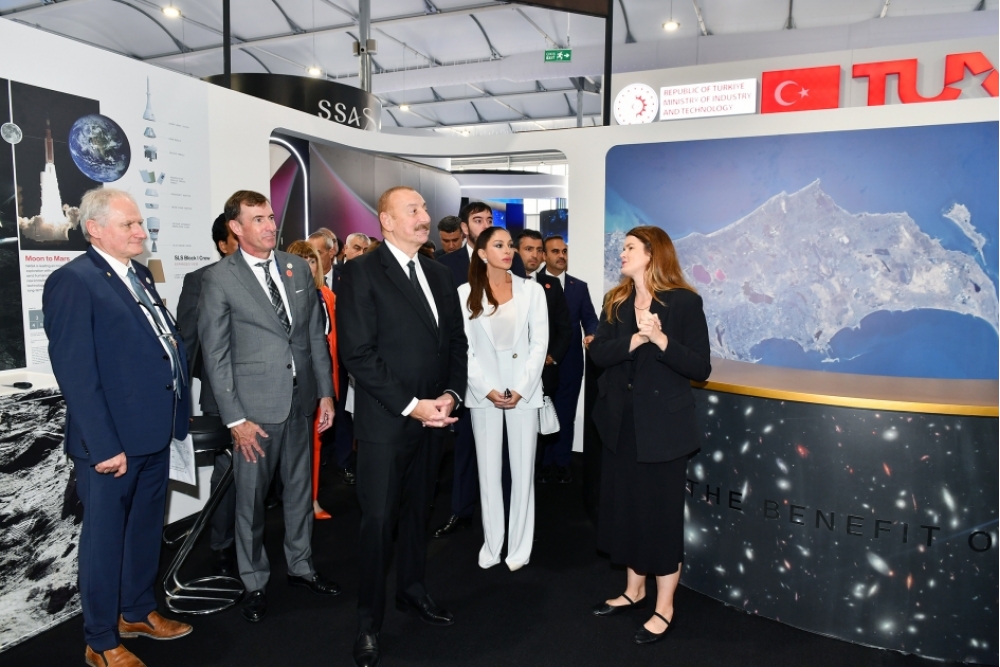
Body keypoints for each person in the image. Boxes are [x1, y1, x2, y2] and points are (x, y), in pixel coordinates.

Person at [43, 188, 193, 667]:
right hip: (110, 446)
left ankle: (136, 612)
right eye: (128, 224)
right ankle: (101, 640)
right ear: (95, 229)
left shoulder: (138, 275)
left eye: (139, 222)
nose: (140, 231)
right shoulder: (73, 281)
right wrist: (104, 445)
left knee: (144, 533)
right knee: (104, 544)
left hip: (153, 434)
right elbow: (76, 374)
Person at [337, 186, 467, 667]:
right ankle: (368, 623)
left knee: (418, 515)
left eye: (425, 208)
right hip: (387, 424)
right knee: (378, 524)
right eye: (412, 209)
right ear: (386, 221)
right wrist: (413, 406)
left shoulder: (438, 272)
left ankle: (412, 590)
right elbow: (358, 354)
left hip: (435, 420)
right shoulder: (361, 272)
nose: (424, 216)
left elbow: (456, 343)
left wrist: (451, 394)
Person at [198, 190, 340, 624]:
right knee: (251, 503)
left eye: (271, 217)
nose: (270, 226)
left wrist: (326, 393)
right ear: (235, 227)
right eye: (258, 219)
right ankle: (254, 581)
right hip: (253, 412)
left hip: (301, 402)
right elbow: (216, 355)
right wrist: (235, 418)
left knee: (300, 493)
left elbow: (314, 336)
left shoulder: (295, 267)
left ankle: (301, 567)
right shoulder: (219, 278)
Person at [588, 226, 711, 645]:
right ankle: (633, 590)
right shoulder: (616, 301)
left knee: (659, 519)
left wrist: (658, 338)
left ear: (652, 253)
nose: (621, 253)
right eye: (622, 247)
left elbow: (700, 367)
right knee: (626, 511)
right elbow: (599, 353)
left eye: (629, 247)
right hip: (620, 426)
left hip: (664, 430)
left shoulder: (685, 302)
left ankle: (665, 606)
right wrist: (636, 338)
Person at [433, 202, 525, 538]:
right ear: (464, 227)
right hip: (465, 371)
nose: (485, 224)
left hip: (506, 374)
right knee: (466, 448)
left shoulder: (513, 264)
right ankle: (461, 510)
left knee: (507, 450)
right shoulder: (446, 265)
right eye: (477, 220)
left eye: (489, 219)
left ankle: (505, 516)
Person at [459, 227, 548, 571]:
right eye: (499, 245)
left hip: (524, 392)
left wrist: (522, 388)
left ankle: (519, 548)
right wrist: (485, 388)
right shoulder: (465, 293)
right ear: (482, 253)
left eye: (510, 244)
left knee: (523, 474)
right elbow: (464, 349)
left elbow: (539, 344)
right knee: (488, 473)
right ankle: (492, 544)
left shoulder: (532, 290)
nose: (508, 250)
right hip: (484, 394)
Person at [176, 213, 241, 576]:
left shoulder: (272, 276)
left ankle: (249, 540)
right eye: (237, 237)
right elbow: (186, 344)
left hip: (269, 394)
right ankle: (221, 544)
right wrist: (179, 402)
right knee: (228, 470)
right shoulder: (199, 280)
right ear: (222, 245)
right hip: (221, 395)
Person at [538, 234, 599, 484]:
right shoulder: (532, 284)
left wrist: (593, 334)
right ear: (544, 255)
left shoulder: (579, 287)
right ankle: (542, 463)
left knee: (565, 413)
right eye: (555, 251)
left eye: (564, 251)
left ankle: (563, 463)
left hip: (571, 363)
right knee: (542, 413)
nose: (561, 256)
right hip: (541, 363)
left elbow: (590, 318)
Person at [287, 240, 341, 520]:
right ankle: (299, 503)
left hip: (324, 381)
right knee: (297, 449)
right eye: (301, 260)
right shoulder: (286, 297)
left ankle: (313, 500)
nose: (307, 265)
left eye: (311, 260)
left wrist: (330, 387)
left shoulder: (327, 295)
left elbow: (331, 341)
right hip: (296, 384)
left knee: (316, 444)